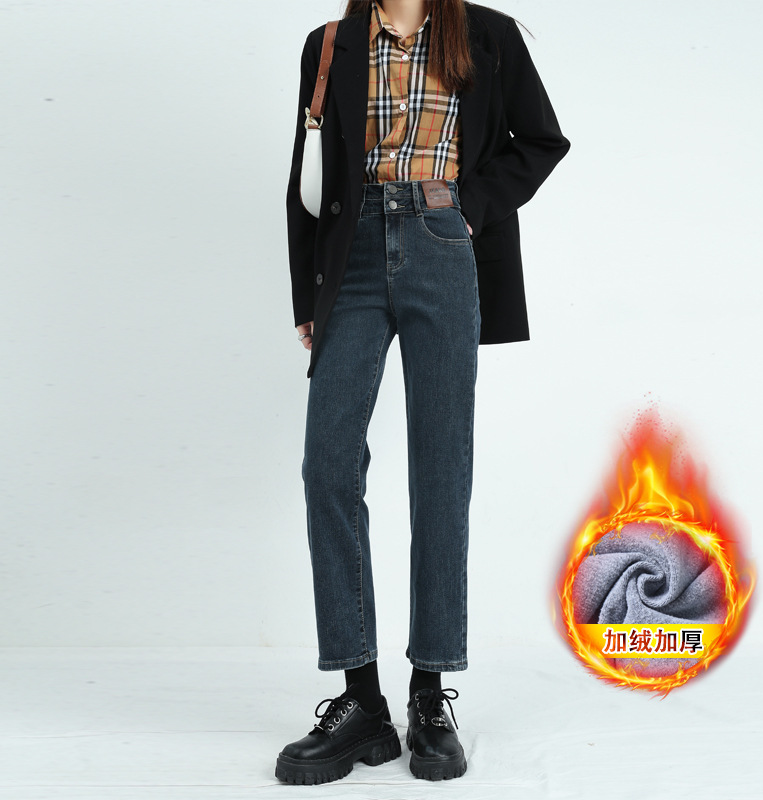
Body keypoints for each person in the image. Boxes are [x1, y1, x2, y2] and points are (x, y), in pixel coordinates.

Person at [276, 0, 570, 785]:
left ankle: (429, 692)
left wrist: (470, 208)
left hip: (443, 243)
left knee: (441, 470)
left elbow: (542, 141)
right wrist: (308, 295)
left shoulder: (486, 34)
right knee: (328, 464)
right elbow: (308, 173)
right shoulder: (329, 43)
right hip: (352, 256)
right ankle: (360, 699)